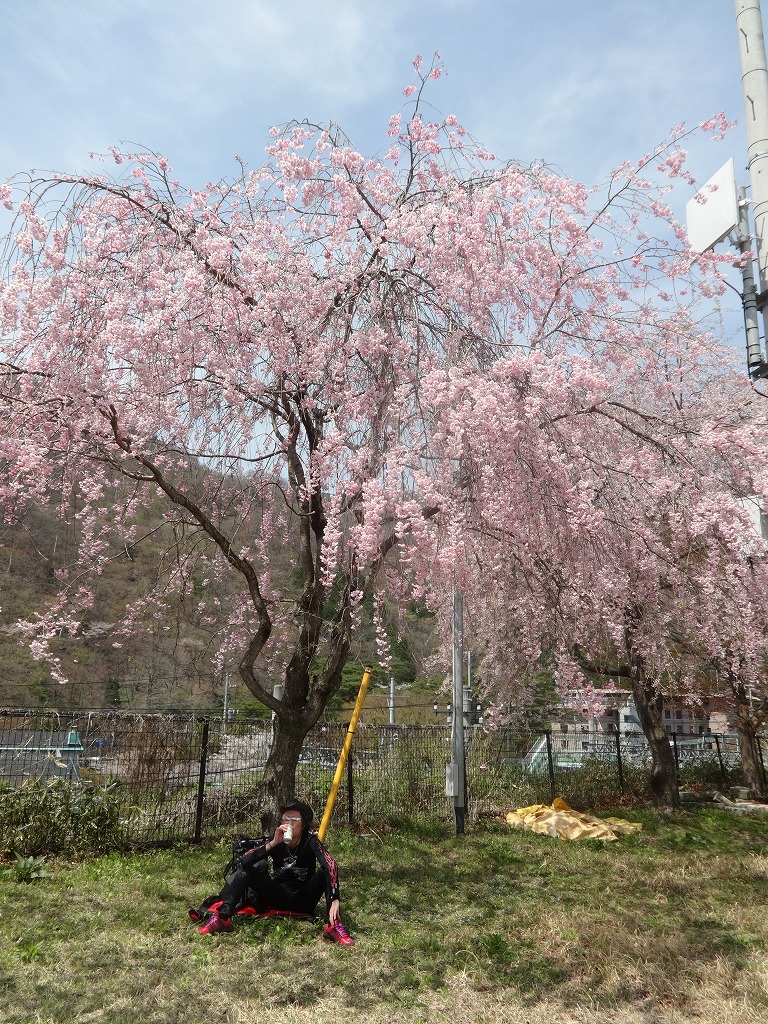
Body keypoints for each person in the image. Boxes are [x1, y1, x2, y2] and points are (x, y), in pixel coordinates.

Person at [194, 799, 354, 946]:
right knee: (247, 870)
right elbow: (242, 862)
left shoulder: (311, 841)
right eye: (286, 819)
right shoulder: (275, 840)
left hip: (304, 899)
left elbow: (331, 864)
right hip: (277, 896)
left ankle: (334, 927)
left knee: (324, 870)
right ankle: (223, 918)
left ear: (303, 825)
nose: (289, 823)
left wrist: (335, 899)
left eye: (295, 820)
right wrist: (273, 843)